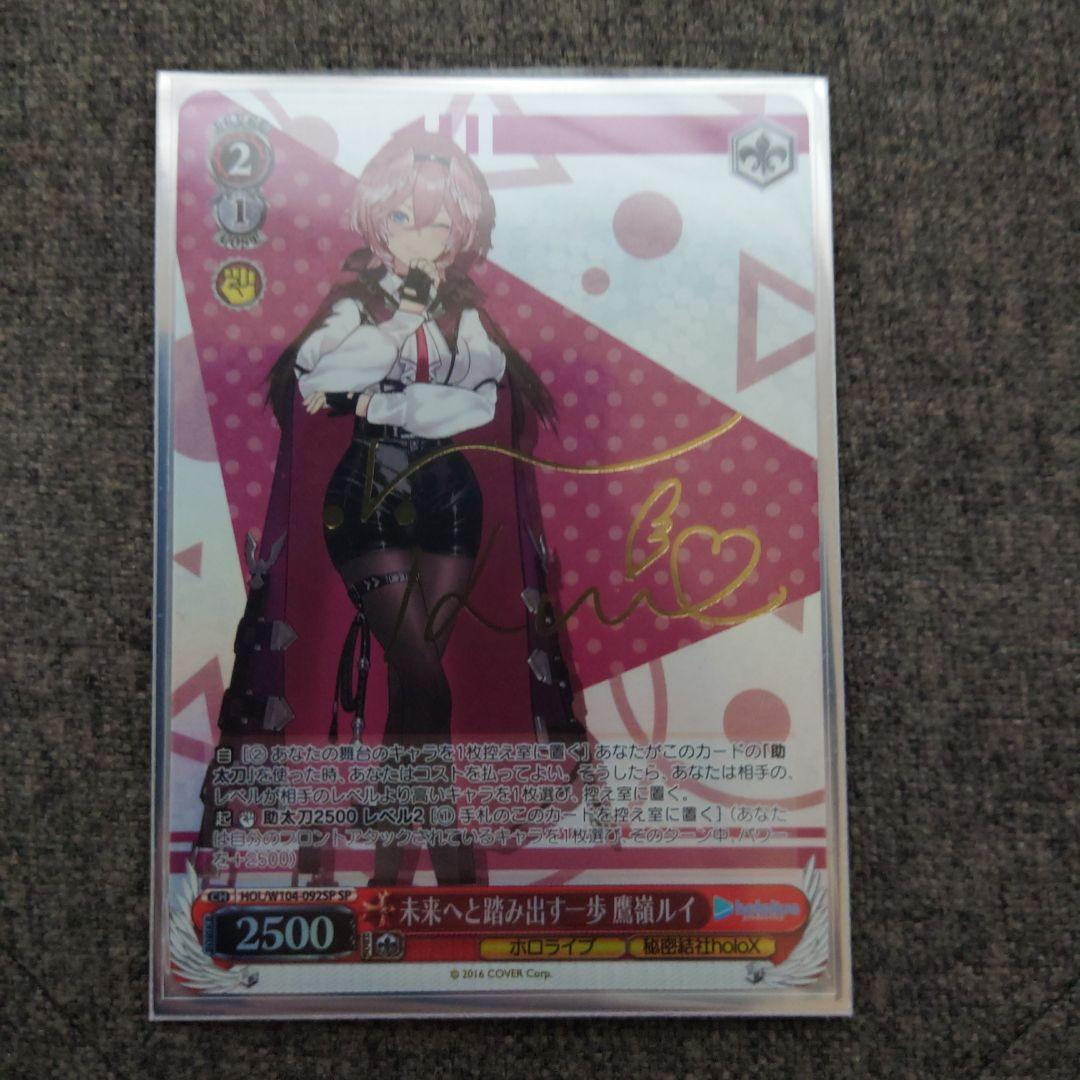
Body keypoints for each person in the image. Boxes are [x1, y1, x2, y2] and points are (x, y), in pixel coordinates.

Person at [265, 130, 576, 886]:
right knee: (423, 674)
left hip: (449, 496)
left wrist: (378, 398)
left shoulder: (469, 316)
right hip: (367, 496)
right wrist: (401, 326)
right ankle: (445, 849)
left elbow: (477, 403)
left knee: (417, 680)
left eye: (438, 224)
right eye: (404, 219)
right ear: (377, 222)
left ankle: (390, 869)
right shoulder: (353, 305)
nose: (421, 238)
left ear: (460, 233)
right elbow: (322, 372)